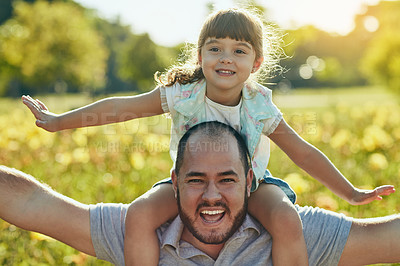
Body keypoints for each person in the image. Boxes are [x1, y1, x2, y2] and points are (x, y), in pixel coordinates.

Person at [21, 8, 395, 266]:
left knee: (285, 219)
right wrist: (58, 121)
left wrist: (351, 192)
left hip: (253, 185)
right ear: (200, 57)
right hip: (190, 185)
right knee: (138, 214)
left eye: (239, 50)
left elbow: (304, 154)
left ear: (256, 63)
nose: (225, 58)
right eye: (214, 48)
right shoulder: (184, 94)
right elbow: (121, 108)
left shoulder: (258, 105)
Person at [1, 121, 400, 266]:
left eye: (227, 179)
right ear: (173, 182)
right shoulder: (142, 233)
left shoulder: (290, 233)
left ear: (250, 181)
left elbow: (387, 239)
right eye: (196, 180)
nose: (211, 196)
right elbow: (34, 204)